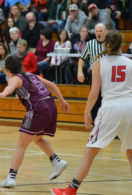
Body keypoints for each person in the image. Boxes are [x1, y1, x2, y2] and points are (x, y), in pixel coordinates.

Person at [52, 30, 132, 195]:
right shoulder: (130, 62)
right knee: (131, 152)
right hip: (130, 106)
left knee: (90, 152)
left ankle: (71, 190)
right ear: (121, 45)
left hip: (111, 107)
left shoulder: (99, 63)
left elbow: (94, 92)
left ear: (105, 44)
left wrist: (87, 112)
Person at [0, 55, 69, 188]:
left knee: (21, 145)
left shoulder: (14, 78)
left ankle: (11, 178)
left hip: (38, 109)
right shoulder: (30, 75)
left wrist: (3, 94)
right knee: (37, 138)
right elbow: (52, 85)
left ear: (7, 70)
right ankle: (57, 162)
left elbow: (10, 87)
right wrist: (62, 101)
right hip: (51, 106)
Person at [78, 23, 106, 120]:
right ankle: (95, 123)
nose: (99, 33)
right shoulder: (90, 44)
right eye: (97, 31)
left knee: (106, 99)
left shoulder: (111, 44)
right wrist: (80, 72)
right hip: (94, 75)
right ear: (94, 32)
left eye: (101, 31)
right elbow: (82, 59)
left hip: (108, 75)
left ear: (105, 32)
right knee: (95, 98)